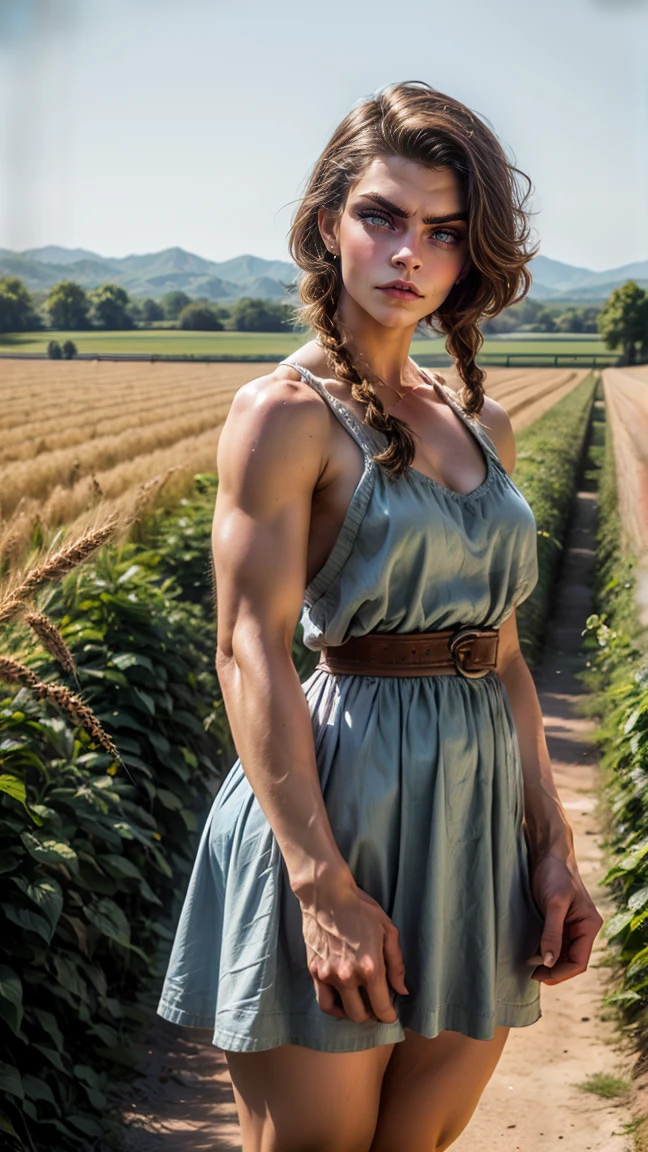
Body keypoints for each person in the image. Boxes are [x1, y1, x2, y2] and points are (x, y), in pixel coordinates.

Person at [157, 80, 603, 1151]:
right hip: (338, 811)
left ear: (470, 254)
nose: (410, 252)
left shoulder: (481, 421)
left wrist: (551, 843)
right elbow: (248, 646)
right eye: (383, 216)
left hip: (474, 828)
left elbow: (496, 654)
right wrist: (320, 888)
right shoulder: (282, 414)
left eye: (443, 231)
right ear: (328, 227)